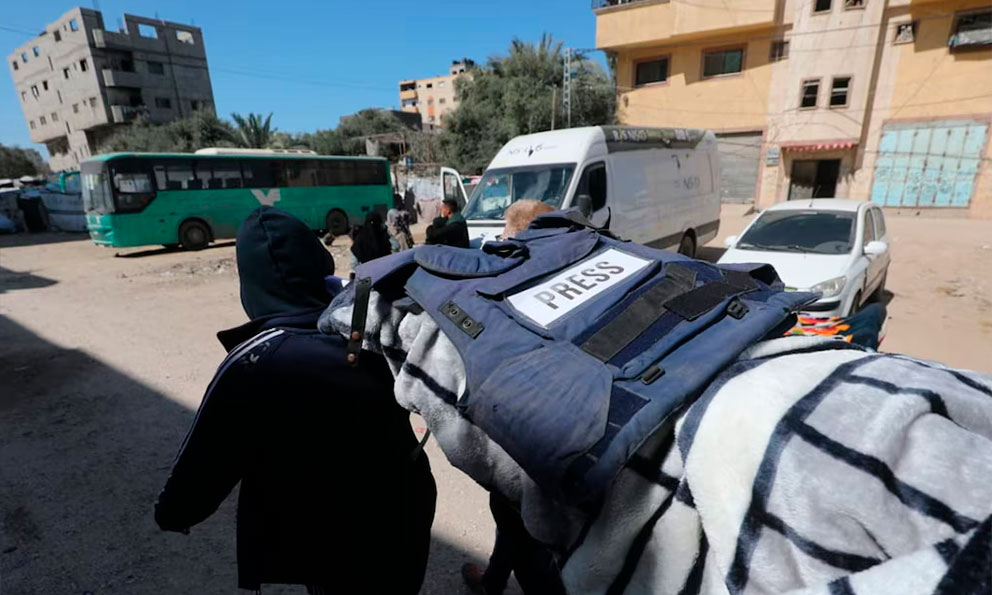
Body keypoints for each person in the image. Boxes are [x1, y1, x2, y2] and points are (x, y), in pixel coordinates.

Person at [155, 206, 436, 594]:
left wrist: (174, 513)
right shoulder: (373, 326)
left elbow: (206, 459)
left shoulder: (256, 362)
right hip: (406, 513)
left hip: (331, 538)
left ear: (252, 286)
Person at [460, 199, 564, 595]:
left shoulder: (515, 280)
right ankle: (493, 579)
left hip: (529, 432)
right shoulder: (569, 267)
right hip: (563, 424)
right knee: (513, 517)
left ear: (519, 235)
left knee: (523, 524)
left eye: (506, 232)